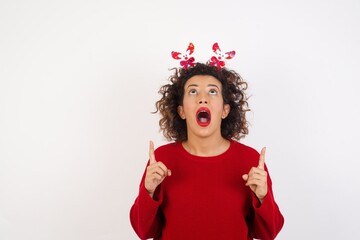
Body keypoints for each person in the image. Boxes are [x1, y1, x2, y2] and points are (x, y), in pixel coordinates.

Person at [129, 44, 284, 239]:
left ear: (225, 110)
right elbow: (144, 232)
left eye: (212, 92)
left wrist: (263, 197)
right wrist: (148, 191)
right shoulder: (161, 160)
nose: (203, 99)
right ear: (182, 111)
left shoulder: (250, 160)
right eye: (193, 92)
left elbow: (268, 233)